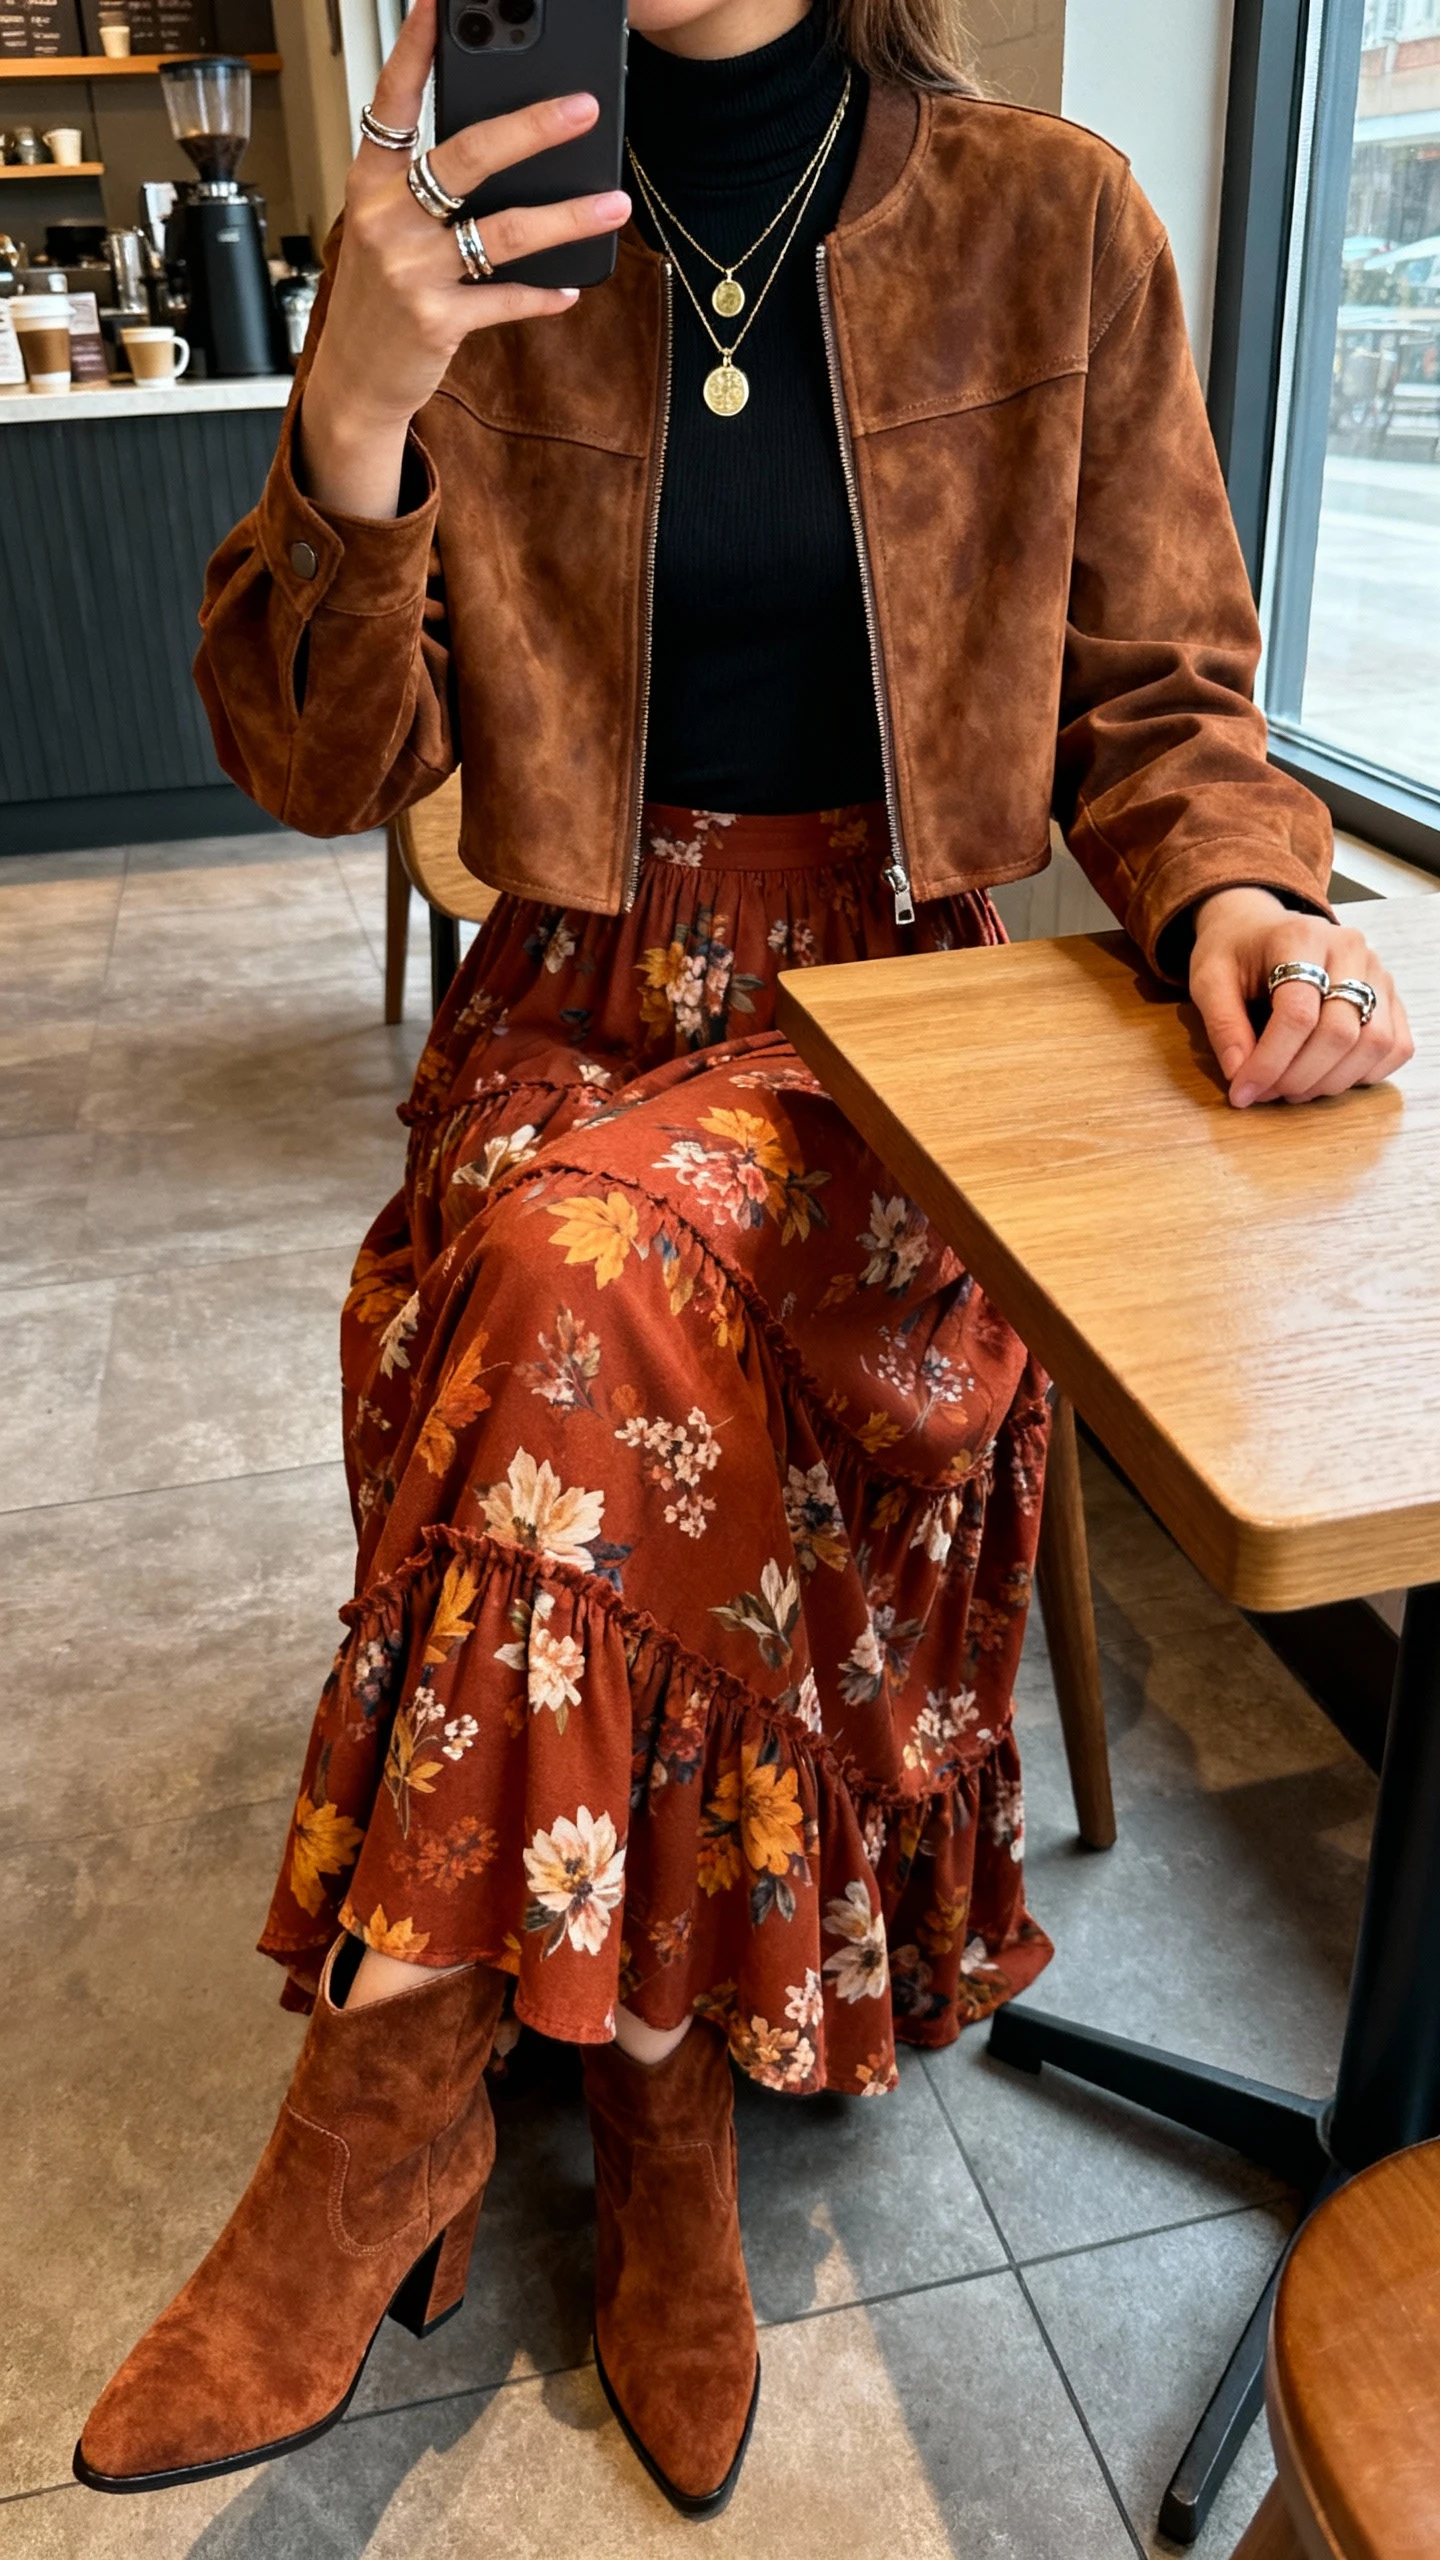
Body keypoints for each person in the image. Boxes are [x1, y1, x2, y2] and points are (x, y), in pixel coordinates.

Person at [75, 0, 1412, 2519]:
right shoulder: (471, 231)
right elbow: (309, 764)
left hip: (894, 1050)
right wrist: (353, 407)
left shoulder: (1057, 221)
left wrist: (1241, 886)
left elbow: (1166, 698)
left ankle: (395, 2109)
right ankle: (650, 2083)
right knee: (570, 1260)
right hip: (567, 1004)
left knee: (572, 1283)